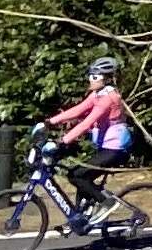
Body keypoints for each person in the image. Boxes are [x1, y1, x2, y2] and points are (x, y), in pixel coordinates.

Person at [44, 56, 133, 219]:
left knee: (77, 175)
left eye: (94, 76)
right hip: (106, 145)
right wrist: (49, 122)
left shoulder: (108, 98)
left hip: (116, 148)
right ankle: (80, 218)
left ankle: (107, 203)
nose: (90, 79)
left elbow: (87, 123)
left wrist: (62, 141)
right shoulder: (97, 94)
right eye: (90, 75)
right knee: (79, 176)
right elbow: (78, 110)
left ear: (105, 78)